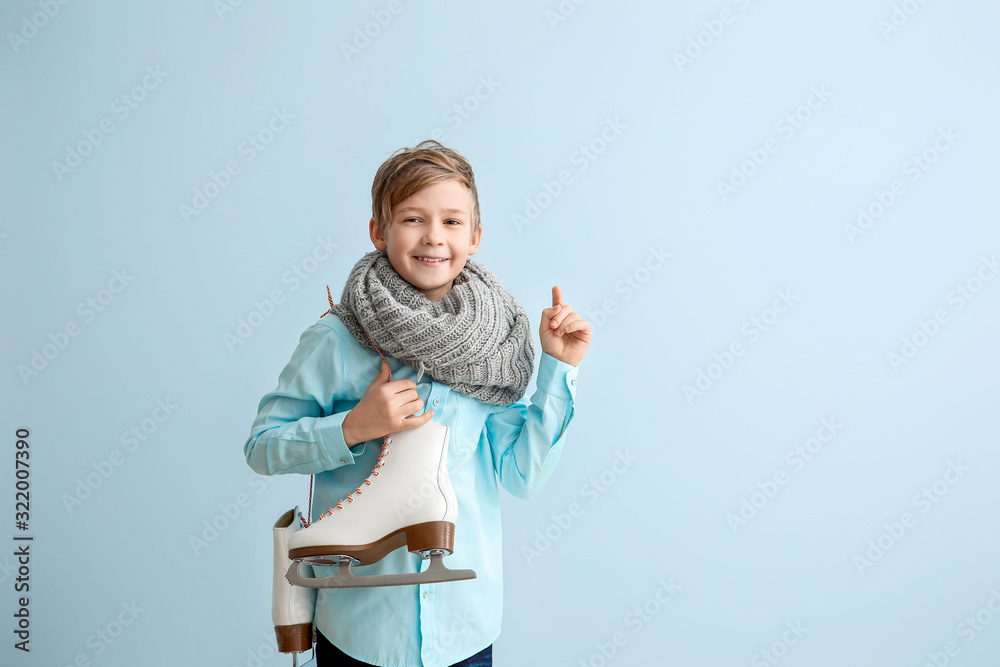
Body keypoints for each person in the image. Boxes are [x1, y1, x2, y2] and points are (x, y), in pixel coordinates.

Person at [244, 140, 592, 667]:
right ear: (379, 231)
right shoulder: (339, 340)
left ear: (474, 237)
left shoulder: (492, 348)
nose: (434, 237)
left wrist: (557, 369)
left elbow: (523, 476)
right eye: (412, 218)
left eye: (452, 222)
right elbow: (262, 447)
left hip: (464, 625)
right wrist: (353, 427)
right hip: (360, 625)